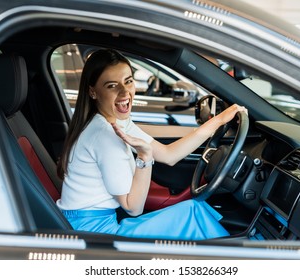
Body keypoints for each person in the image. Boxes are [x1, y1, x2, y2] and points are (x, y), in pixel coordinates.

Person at [56, 49, 248, 240]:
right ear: (93, 92)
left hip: (92, 224)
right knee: (193, 215)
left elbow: (169, 155)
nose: (125, 92)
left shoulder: (113, 122)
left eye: (128, 81)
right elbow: (133, 208)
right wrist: (144, 157)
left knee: (193, 210)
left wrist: (220, 119)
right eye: (112, 85)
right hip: (94, 235)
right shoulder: (105, 135)